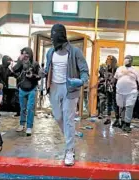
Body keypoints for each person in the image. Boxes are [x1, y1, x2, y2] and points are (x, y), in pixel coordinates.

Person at [43, 24, 89, 166]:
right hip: (54, 88)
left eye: (54, 34)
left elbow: (84, 70)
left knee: (68, 119)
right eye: (51, 34)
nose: (52, 37)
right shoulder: (50, 52)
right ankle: (71, 137)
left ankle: (69, 150)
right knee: (58, 117)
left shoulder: (75, 52)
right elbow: (47, 69)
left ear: (62, 35)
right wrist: (41, 73)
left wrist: (81, 81)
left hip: (70, 88)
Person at [12, 47, 41, 136]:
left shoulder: (35, 64)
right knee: (22, 108)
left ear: (30, 54)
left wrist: (32, 76)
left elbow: (39, 76)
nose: (25, 55)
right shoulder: (20, 63)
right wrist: (19, 60)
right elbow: (14, 70)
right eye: (23, 53)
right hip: (22, 89)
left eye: (26, 53)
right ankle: (22, 124)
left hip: (32, 89)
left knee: (30, 109)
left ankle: (29, 127)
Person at [113, 55, 139, 132]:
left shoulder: (135, 70)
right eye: (125, 58)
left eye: (128, 59)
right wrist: (113, 87)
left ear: (131, 61)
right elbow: (115, 79)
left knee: (129, 107)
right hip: (120, 92)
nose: (126, 60)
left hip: (131, 92)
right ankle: (122, 122)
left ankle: (127, 124)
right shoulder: (119, 69)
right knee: (121, 107)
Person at [0, 55, 14, 121]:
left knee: (1, 100)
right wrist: (2, 84)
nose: (9, 62)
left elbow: (11, 75)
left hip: (4, 87)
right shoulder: (0, 67)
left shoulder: (7, 69)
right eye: (8, 61)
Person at [103, 55, 119, 125]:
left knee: (115, 103)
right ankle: (108, 118)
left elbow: (116, 78)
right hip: (108, 88)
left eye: (109, 59)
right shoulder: (106, 68)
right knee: (108, 103)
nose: (108, 60)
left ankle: (117, 119)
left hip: (114, 88)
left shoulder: (116, 68)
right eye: (107, 59)